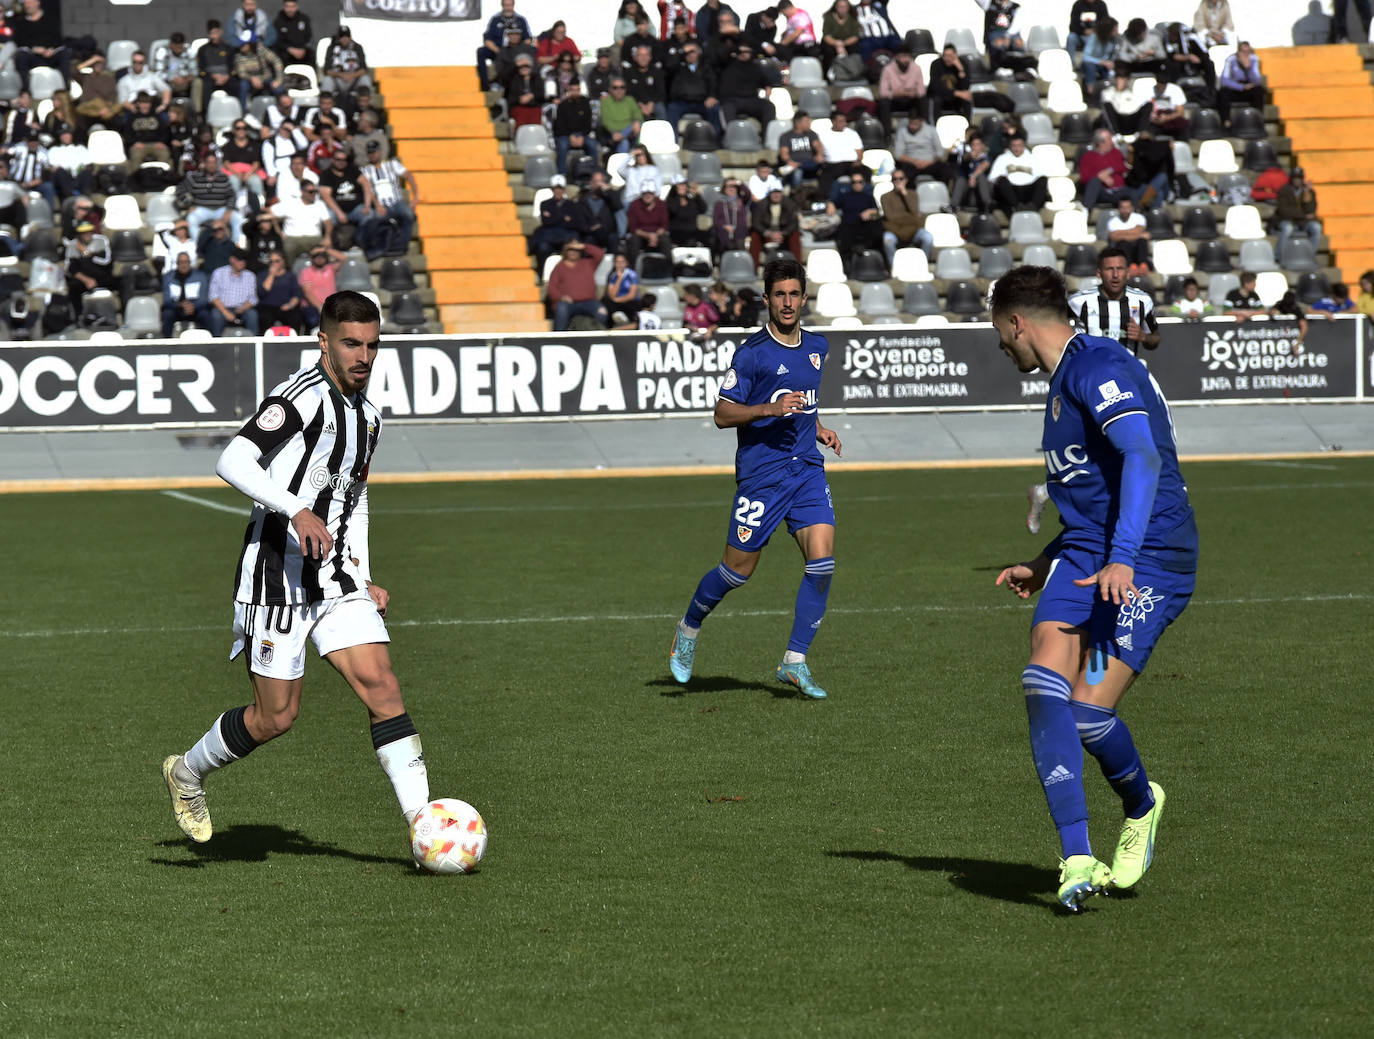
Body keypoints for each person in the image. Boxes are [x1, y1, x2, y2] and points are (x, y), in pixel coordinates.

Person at [161, 292, 432, 850]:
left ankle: (424, 826)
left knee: (382, 685)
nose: (363, 356)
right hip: (275, 578)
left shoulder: (369, 417)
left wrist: (361, 571)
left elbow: (352, 500)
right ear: (324, 341)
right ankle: (187, 772)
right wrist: (296, 508)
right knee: (275, 718)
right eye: (351, 343)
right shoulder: (298, 399)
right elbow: (231, 460)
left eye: (372, 346)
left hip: (333, 578)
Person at [990, 263, 1196, 912]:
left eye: (1001, 333)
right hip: (1084, 556)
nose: (1001, 347)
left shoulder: (1097, 365)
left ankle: (1141, 804)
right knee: (1041, 681)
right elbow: (1091, 497)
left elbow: (1142, 455)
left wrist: (1126, 558)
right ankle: (1077, 855)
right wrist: (1043, 558)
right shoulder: (1058, 390)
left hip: (1151, 557)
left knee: (1087, 713)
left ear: (1018, 323)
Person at [668, 254, 842, 699]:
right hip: (762, 476)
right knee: (736, 572)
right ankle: (688, 628)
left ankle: (794, 661)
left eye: (794, 294)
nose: (787, 303)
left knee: (822, 563)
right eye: (779, 295)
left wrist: (817, 428)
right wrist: (768, 408)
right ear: (767, 299)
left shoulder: (818, 347)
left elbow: (805, 400)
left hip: (805, 469)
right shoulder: (750, 355)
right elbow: (723, 413)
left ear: (804, 298)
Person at [1026, 247, 1160, 534]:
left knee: (1130, 452)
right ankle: (1064, 504)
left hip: (1128, 385)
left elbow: (1156, 338)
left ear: (1128, 271)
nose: (1115, 274)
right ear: (1099, 273)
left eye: (1120, 269)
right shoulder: (1080, 303)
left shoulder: (1141, 301)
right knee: (1089, 453)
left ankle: (1046, 494)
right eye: (1109, 269)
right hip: (1088, 385)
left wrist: (1144, 337)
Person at [546, 239, 607, 330]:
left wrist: (583, 246)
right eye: (570, 250)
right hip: (568, 303)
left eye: (576, 250)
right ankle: (559, 338)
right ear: (565, 252)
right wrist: (561, 297)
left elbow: (600, 254)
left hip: (589, 302)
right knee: (561, 309)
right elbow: (551, 288)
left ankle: (597, 337)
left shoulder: (588, 263)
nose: (573, 252)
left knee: (602, 312)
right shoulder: (559, 267)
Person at [880, 169, 934, 265]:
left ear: (906, 180)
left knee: (928, 238)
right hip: (895, 231)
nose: (898, 181)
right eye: (895, 179)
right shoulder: (885, 197)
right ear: (892, 181)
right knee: (887, 240)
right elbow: (890, 217)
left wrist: (905, 194)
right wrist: (910, 218)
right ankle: (894, 267)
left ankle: (923, 265)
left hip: (913, 231)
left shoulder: (913, 194)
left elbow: (914, 212)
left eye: (900, 178)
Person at [989, 133, 1048, 216]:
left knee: (1043, 179)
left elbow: (1041, 175)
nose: (1017, 148)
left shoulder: (1033, 158)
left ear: (1024, 145)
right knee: (1001, 180)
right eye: (1014, 146)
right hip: (1012, 191)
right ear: (1010, 146)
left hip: (1028, 190)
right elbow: (992, 178)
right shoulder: (1002, 158)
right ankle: (1017, 206)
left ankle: (1033, 207)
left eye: (1019, 145)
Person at [478, 0, 533, 89]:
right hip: (497, 50)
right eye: (505, 5)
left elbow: (528, 39)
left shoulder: (521, 20)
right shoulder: (495, 19)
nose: (508, 7)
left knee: (532, 51)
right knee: (481, 51)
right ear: (502, 5)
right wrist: (499, 51)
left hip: (515, 50)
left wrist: (518, 50)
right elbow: (487, 39)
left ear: (513, 5)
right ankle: (485, 84)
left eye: (509, 5)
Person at [552, 79, 598, 178]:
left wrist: (582, 135)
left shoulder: (585, 104)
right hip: (565, 135)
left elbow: (588, 124)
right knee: (562, 146)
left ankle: (595, 173)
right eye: (572, 90)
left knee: (592, 144)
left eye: (577, 90)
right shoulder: (562, 105)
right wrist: (570, 136)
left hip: (582, 134)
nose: (575, 92)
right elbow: (559, 125)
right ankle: (561, 174)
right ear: (568, 90)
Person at [208, 247, 261, 335]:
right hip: (223, 308)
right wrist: (226, 312)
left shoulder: (250, 276)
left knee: (252, 315)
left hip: (242, 309)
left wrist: (243, 308)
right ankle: (216, 345)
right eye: (240, 259)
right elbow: (213, 296)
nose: (243, 262)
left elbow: (253, 299)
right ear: (232, 259)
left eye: (244, 260)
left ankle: (253, 343)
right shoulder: (219, 273)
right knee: (216, 315)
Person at [1273, 166, 1321, 263]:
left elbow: (1311, 211)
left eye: (1299, 178)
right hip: (1286, 220)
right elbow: (1284, 211)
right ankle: (1280, 256)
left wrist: (1307, 196)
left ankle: (1310, 256)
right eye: (1295, 178)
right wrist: (1303, 215)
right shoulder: (1284, 190)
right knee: (1287, 228)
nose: (1297, 180)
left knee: (1316, 227)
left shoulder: (1308, 192)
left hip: (1302, 222)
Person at [1079, 128, 1132, 213]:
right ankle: (1085, 212)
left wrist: (1110, 170)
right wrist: (1100, 176)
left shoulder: (1116, 153)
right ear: (1101, 143)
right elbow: (1084, 178)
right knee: (1094, 182)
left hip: (1119, 191)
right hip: (1102, 192)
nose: (1112, 142)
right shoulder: (1088, 157)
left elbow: (1123, 167)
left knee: (1135, 189)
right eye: (1109, 139)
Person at [256, 249, 309, 331]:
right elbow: (262, 292)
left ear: (283, 261)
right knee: (265, 318)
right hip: (268, 307)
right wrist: (271, 275)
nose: (274, 264)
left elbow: (297, 294)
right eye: (271, 261)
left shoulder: (290, 276)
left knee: (296, 317)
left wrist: (290, 305)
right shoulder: (262, 275)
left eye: (277, 261)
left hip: (286, 306)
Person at [161, 250, 211, 336]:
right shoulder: (168, 277)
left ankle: (207, 343)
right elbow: (167, 300)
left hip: (195, 309)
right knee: (167, 314)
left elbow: (203, 299)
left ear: (190, 263)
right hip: (176, 309)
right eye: (181, 262)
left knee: (205, 315)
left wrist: (193, 306)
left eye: (186, 262)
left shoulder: (200, 276)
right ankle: (167, 342)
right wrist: (180, 305)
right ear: (177, 263)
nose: (184, 265)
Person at [749, 182, 801, 264]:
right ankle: (752, 268)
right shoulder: (761, 204)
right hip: (767, 233)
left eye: (778, 193)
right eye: (773, 193)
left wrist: (783, 233)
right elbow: (756, 223)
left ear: (782, 194)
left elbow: (794, 223)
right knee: (755, 236)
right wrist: (768, 233)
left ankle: (798, 266)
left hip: (784, 233)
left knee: (795, 235)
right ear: (769, 194)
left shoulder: (790, 204)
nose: (776, 195)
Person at [1217, 41, 1263, 127]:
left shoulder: (1254, 59)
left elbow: (1257, 81)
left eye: (1247, 52)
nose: (1245, 54)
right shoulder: (1231, 60)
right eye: (1243, 52)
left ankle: (1257, 120)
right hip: (1235, 87)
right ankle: (1226, 122)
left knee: (1258, 90)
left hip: (1248, 88)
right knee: (1223, 92)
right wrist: (1241, 87)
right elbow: (1224, 81)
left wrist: (1248, 67)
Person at [877, 49, 925, 132]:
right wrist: (894, 93)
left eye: (908, 56)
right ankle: (886, 133)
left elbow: (922, 91)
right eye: (903, 57)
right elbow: (882, 92)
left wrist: (914, 93)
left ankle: (924, 131)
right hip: (895, 100)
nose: (906, 60)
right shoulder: (887, 69)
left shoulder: (916, 68)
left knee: (924, 101)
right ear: (896, 57)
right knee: (883, 103)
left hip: (911, 99)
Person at [1105, 195, 1152, 274]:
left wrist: (1120, 233)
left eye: (1127, 207)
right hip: (1123, 251)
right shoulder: (1112, 222)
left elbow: (1139, 230)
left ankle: (1143, 265)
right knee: (1123, 243)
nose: (1125, 210)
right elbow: (1114, 237)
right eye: (1122, 207)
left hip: (1137, 248)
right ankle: (1129, 266)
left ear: (1132, 208)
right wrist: (1138, 234)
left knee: (1142, 241)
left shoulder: (1139, 218)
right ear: (1119, 208)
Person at [777, 110, 824, 189]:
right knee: (797, 172)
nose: (809, 123)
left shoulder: (811, 134)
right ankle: (796, 194)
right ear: (798, 123)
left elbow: (818, 146)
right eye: (806, 121)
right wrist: (790, 162)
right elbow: (784, 154)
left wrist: (819, 154)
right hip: (794, 165)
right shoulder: (786, 136)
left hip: (810, 164)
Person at [321, 25, 372, 96]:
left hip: (354, 79)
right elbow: (327, 70)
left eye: (347, 36)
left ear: (350, 37)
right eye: (342, 36)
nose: (344, 39)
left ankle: (366, 106)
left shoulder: (357, 47)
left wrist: (352, 75)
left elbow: (364, 69)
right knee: (327, 80)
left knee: (365, 79)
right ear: (339, 38)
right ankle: (326, 105)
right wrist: (341, 75)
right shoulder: (332, 48)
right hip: (337, 79)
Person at [927, 45, 973, 121]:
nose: (947, 59)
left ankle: (967, 126)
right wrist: (956, 93)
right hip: (941, 96)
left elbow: (965, 87)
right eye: (945, 56)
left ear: (955, 55)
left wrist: (960, 69)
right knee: (936, 100)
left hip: (956, 99)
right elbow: (935, 87)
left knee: (967, 98)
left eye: (950, 56)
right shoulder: (936, 64)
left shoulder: (962, 64)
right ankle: (934, 126)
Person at [950, 132, 993, 213]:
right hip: (968, 191)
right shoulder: (966, 158)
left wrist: (973, 177)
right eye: (973, 144)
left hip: (982, 190)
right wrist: (969, 156)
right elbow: (964, 159)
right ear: (970, 146)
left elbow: (983, 166)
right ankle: (953, 206)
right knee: (961, 180)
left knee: (980, 177)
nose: (976, 147)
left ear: (982, 145)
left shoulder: (986, 158)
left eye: (978, 144)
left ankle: (987, 205)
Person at [711, 177, 750, 255]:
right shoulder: (719, 204)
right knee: (722, 237)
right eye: (729, 187)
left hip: (739, 231)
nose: (731, 189)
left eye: (734, 187)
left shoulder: (741, 201)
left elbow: (748, 193)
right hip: (724, 231)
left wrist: (738, 182)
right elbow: (716, 220)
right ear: (724, 189)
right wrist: (725, 226)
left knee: (740, 239)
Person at [272, 0, 314, 67]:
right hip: (287, 51)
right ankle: (284, 76)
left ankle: (311, 76)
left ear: (297, 7)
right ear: (284, 7)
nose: (290, 9)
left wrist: (303, 49)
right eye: (287, 6)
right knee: (280, 55)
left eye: (292, 6)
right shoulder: (278, 21)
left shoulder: (304, 19)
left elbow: (309, 37)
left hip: (302, 50)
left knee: (311, 54)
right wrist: (290, 49)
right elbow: (277, 41)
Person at [603, 251, 640, 320]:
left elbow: (631, 295)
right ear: (614, 263)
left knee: (633, 304)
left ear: (626, 263)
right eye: (617, 262)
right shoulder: (612, 276)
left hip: (628, 301)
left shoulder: (632, 275)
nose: (620, 264)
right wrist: (619, 279)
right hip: (616, 302)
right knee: (605, 301)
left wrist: (616, 300)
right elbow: (611, 295)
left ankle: (624, 317)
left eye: (622, 262)